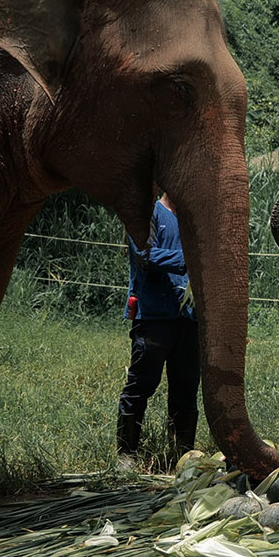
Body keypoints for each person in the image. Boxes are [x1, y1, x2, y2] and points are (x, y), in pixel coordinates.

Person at [116, 193, 198, 469]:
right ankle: (127, 454)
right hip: (153, 316)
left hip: (189, 318)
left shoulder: (192, 219)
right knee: (142, 384)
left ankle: (182, 457)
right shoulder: (147, 213)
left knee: (186, 388)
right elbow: (145, 253)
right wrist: (189, 258)